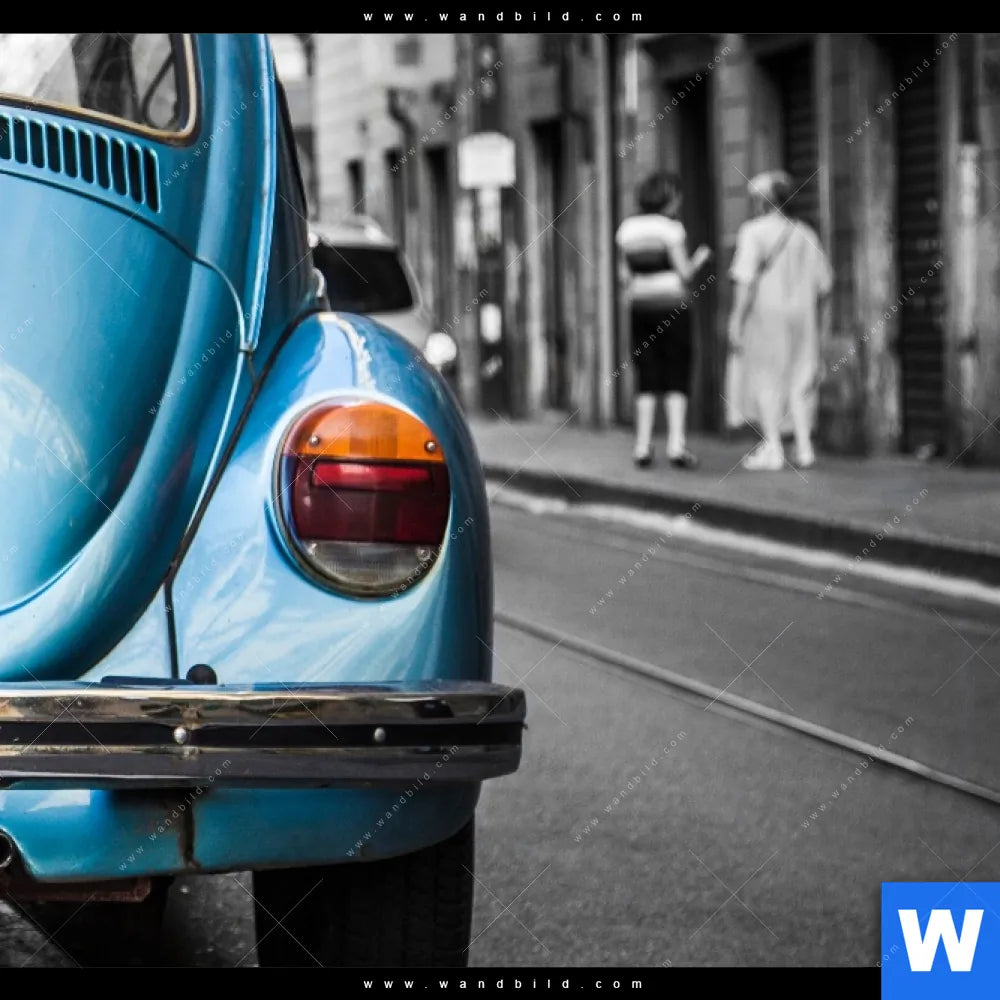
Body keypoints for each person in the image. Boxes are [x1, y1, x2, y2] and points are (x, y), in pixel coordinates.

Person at [727, 170, 833, 471]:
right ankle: (804, 447)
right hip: (803, 314)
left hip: (766, 314)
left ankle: (773, 447)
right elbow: (825, 284)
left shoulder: (753, 232)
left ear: (763, 201)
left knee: (766, 377)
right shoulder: (806, 233)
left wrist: (736, 319)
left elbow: (745, 280)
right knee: (800, 379)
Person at [616, 172, 712, 468]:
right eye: (676, 196)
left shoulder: (627, 229)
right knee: (676, 372)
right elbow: (684, 273)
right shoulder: (671, 229)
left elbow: (624, 275)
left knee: (646, 374)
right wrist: (700, 259)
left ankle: (642, 446)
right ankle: (676, 445)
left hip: (640, 307)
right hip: (673, 307)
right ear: (668, 198)